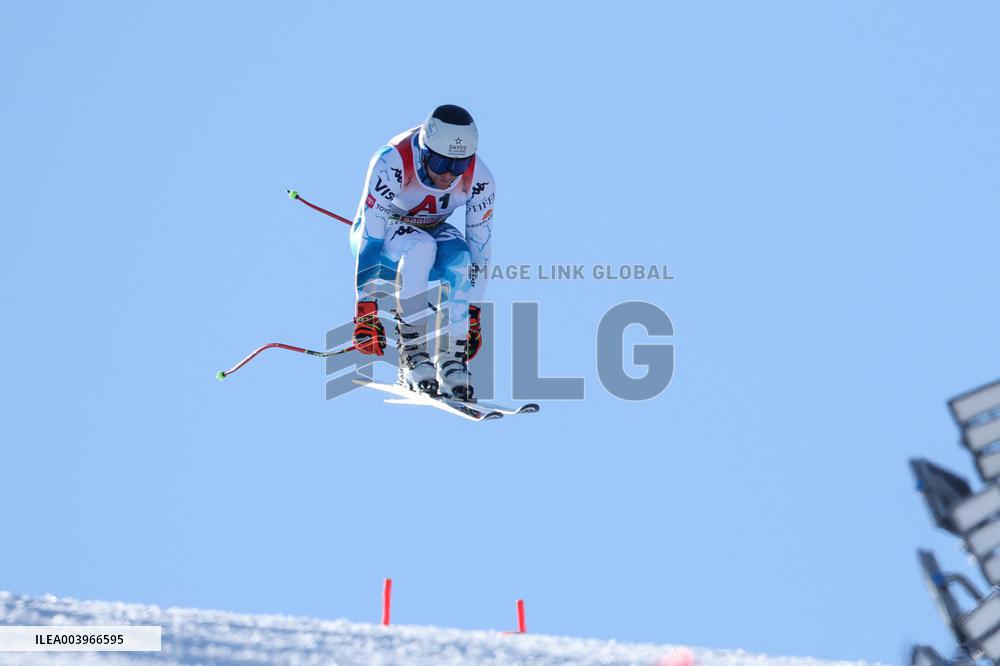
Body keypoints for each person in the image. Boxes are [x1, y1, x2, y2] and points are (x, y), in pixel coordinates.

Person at [349, 104, 495, 400]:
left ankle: (452, 360)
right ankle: (412, 356)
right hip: (385, 236)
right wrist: (366, 309)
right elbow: (370, 237)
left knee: (461, 259)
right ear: (424, 151)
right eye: (440, 164)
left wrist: (473, 314)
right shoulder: (392, 162)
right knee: (421, 247)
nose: (448, 175)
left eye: (458, 166)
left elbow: (481, 249)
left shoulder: (480, 178)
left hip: (433, 228)